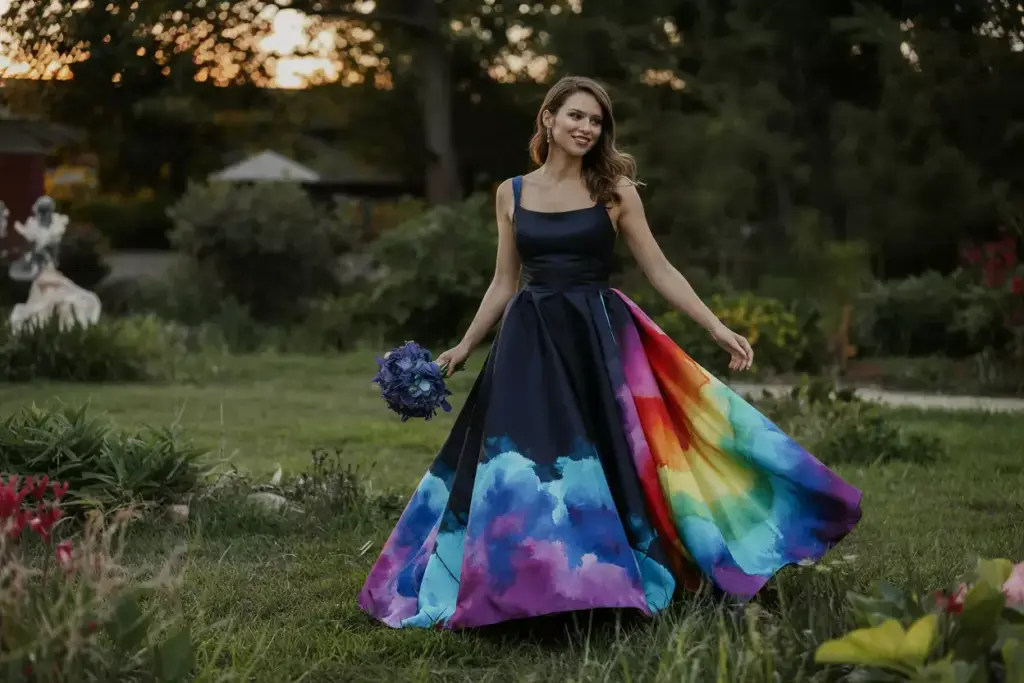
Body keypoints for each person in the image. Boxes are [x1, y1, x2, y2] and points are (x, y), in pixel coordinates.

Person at [358, 76, 862, 630]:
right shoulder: (511, 192)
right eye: (575, 116)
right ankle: (523, 584)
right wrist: (465, 344)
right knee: (523, 463)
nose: (586, 128)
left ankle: (604, 578)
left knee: (609, 456)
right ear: (547, 119)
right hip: (528, 341)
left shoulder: (615, 191)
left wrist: (715, 325)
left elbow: (660, 267)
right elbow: (504, 282)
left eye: (596, 121)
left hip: (595, 338)